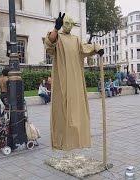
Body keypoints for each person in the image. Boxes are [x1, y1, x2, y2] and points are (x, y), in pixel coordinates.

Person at [44, 12, 104, 150]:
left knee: (76, 109)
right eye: (66, 23)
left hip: (76, 77)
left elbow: (85, 48)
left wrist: (97, 49)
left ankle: (77, 141)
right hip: (62, 77)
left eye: (71, 23)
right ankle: (62, 142)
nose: (68, 26)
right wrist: (56, 28)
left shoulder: (76, 39)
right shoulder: (57, 37)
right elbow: (49, 42)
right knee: (62, 109)